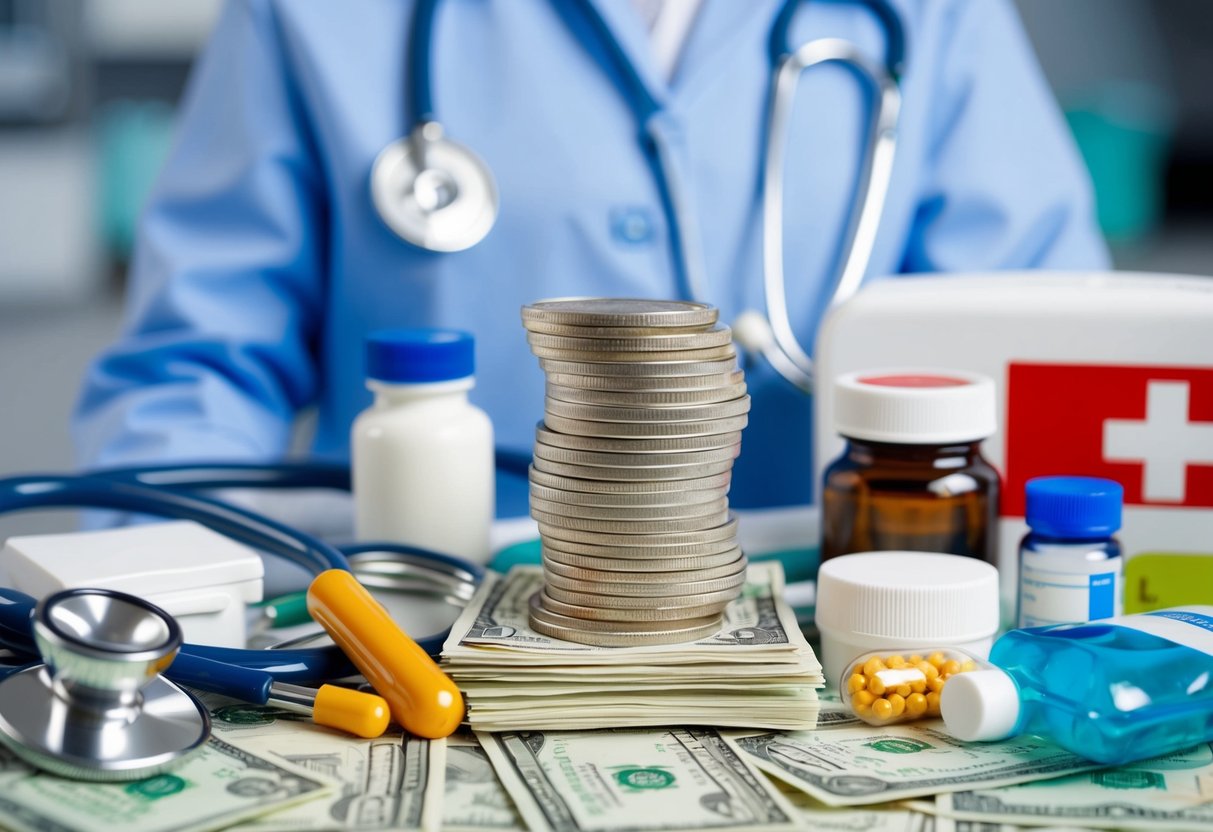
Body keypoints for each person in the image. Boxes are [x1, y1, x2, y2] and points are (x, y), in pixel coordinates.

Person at [74, 0, 1108, 521]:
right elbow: (192, 383)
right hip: (428, 654)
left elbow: (1061, 372)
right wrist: (171, 595)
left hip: (837, 665)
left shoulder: (935, 16)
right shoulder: (309, 16)